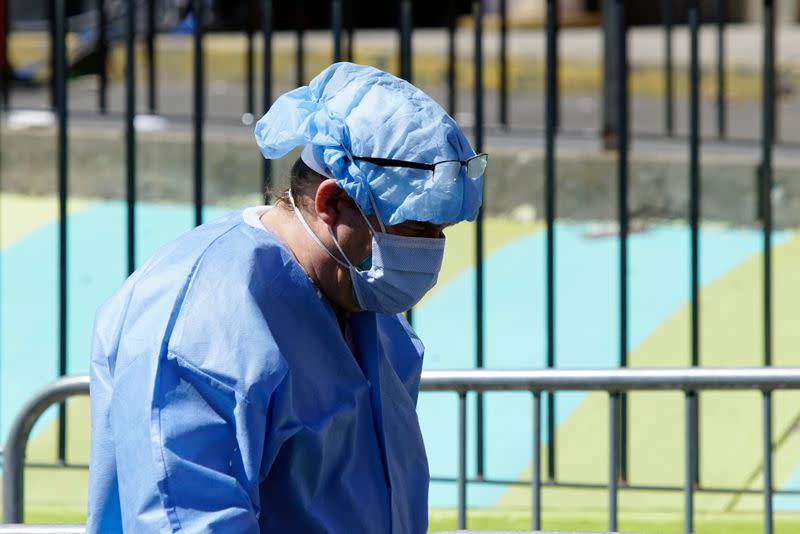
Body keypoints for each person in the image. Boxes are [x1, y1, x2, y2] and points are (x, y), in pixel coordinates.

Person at [87, 62, 486, 533]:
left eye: (440, 232)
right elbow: (187, 519)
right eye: (415, 228)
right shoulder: (201, 319)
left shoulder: (362, 302)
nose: (430, 251)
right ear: (332, 203)